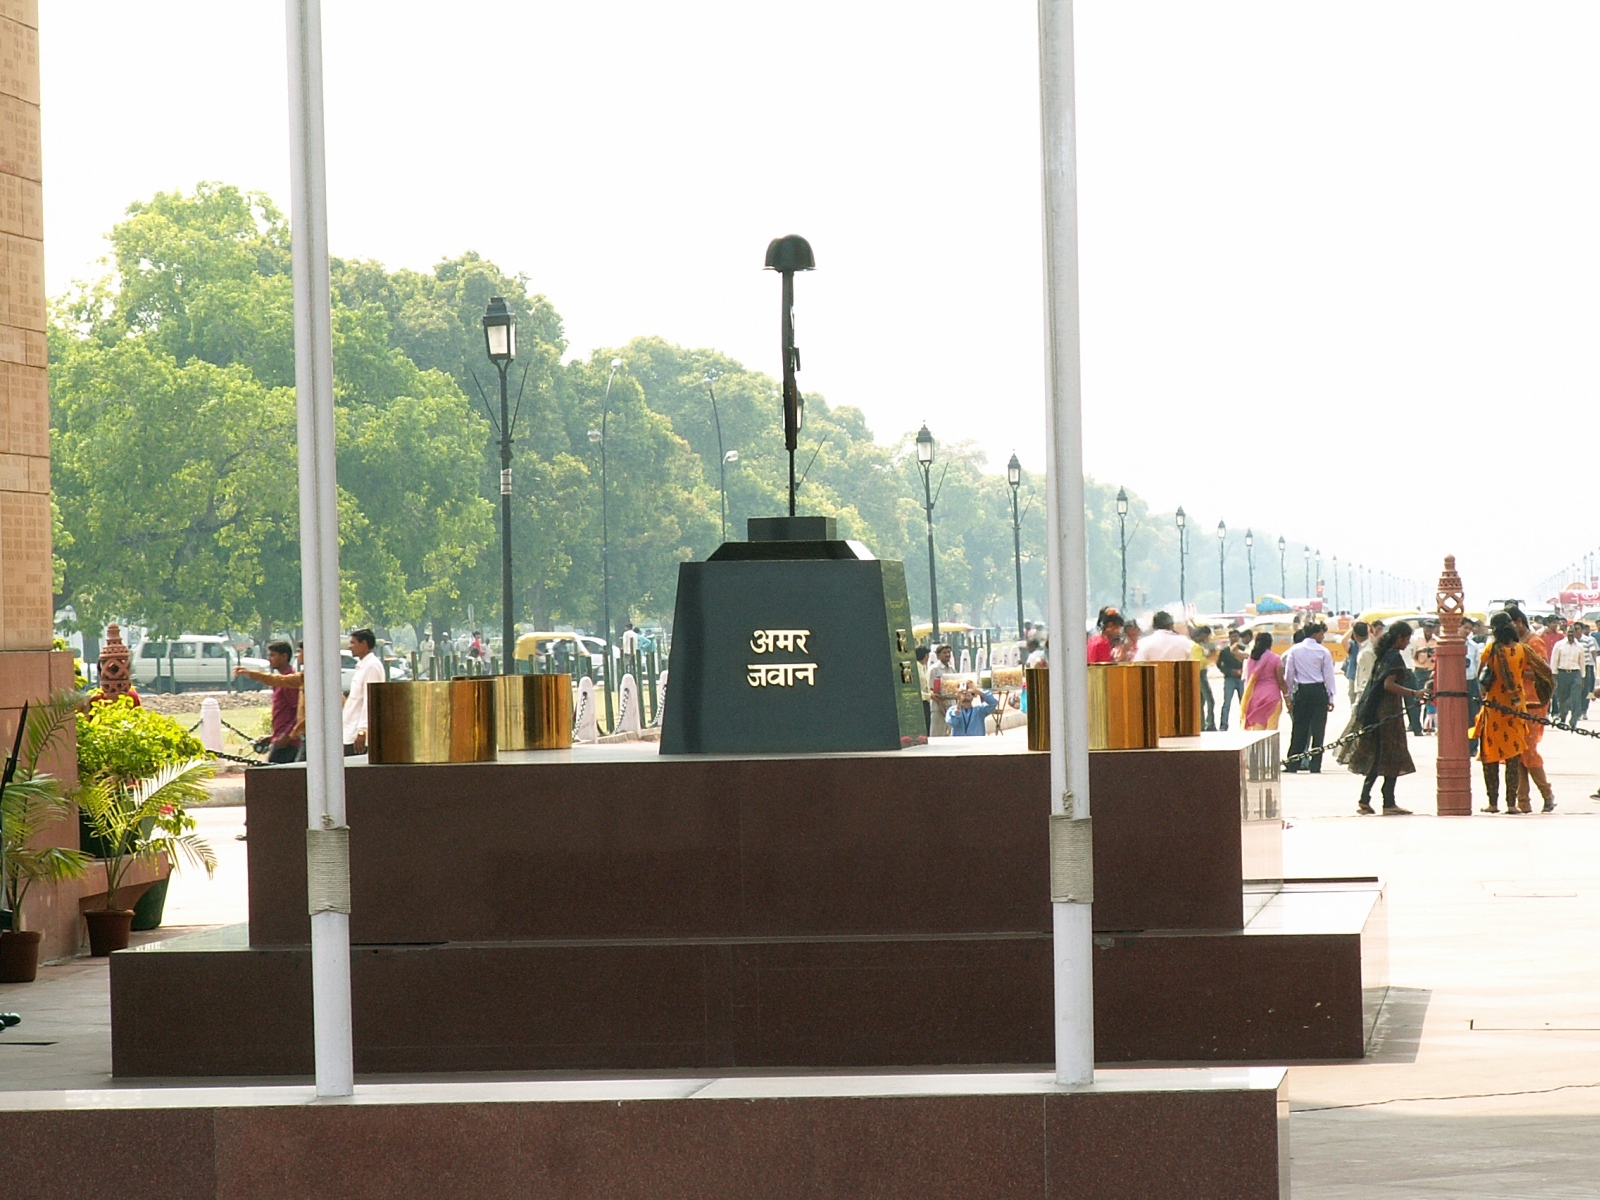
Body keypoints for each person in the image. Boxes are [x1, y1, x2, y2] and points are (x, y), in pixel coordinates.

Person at [1347, 620, 1422, 815]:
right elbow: (1388, 685)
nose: (1407, 643)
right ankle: (1388, 802)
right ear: (1399, 638)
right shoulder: (1394, 657)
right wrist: (1414, 693)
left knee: (1378, 755)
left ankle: (1365, 798)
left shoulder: (1383, 655)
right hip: (1388, 714)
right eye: (1406, 639)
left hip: (1378, 712)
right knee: (1392, 756)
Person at [1476, 614, 1529, 814]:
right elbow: (1522, 673)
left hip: (1494, 709)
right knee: (1513, 758)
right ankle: (1511, 804)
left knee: (1490, 758)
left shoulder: (1491, 649)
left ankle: (1493, 803)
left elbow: (1481, 673)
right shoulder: (1521, 650)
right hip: (1516, 709)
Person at [1507, 606, 1556, 811]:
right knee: (1517, 752)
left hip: (1533, 702)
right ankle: (1523, 801)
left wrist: (1515, 673)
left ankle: (1547, 794)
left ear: (1518, 622)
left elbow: (1542, 672)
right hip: (1516, 703)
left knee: (1528, 750)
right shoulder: (1513, 644)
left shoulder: (1534, 642)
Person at [233, 640, 302, 764]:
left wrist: (287, 736)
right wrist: (272, 737)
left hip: (288, 743)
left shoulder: (289, 681)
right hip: (281, 738)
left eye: (272, 655)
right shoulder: (280, 681)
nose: (269, 659)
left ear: (284, 656)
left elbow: (298, 713)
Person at [1282, 621, 1337, 772]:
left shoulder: (1294, 650)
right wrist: (1331, 697)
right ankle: (1315, 765)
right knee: (1318, 730)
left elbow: (1289, 675)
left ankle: (1293, 762)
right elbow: (1329, 676)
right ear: (1314, 634)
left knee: (1299, 728)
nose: (1322, 636)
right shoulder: (1323, 651)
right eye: (1321, 634)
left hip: (1302, 692)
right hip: (1319, 691)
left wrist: (1289, 694)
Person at [343, 628, 386, 756]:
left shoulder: (372, 666)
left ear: (364, 644)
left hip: (358, 734)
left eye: (353, 643)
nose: (350, 647)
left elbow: (371, 700)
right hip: (350, 730)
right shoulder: (362, 665)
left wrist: (363, 731)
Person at [1241, 632, 1287, 730]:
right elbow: (1281, 681)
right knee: (1272, 728)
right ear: (1270, 643)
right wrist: (1287, 698)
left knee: (1257, 732)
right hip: (1272, 697)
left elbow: (1248, 679)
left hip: (1254, 697)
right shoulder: (1275, 659)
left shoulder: (1251, 659)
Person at [1549, 622, 1588, 728]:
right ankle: (1562, 718)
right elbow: (1554, 660)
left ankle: (1573, 721)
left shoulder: (1580, 646)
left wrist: (1582, 677)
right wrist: (1554, 675)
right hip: (1562, 674)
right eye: (1569, 632)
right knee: (1562, 699)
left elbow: (1582, 663)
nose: (1571, 634)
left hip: (1575, 674)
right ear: (1566, 633)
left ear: (1575, 633)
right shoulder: (1559, 645)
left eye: (1572, 632)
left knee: (1575, 698)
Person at [1462, 619, 1485, 756]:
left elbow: (1477, 666)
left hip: (1470, 681)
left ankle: (1472, 746)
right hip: (1455, 684)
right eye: (1465, 628)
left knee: (1473, 715)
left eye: (1469, 628)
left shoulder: (1473, 646)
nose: (1468, 631)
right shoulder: (1449, 643)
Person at [1216, 630, 1247, 730]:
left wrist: (1243, 671)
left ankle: (1244, 724)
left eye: (1236, 636)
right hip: (1229, 678)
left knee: (1243, 703)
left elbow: (1248, 662)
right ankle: (1223, 725)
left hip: (1241, 679)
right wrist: (1228, 671)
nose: (1234, 638)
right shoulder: (1225, 651)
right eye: (1232, 636)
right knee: (1226, 703)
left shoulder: (1243, 649)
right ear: (1229, 638)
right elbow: (1219, 664)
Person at [927, 644, 956, 736]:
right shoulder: (934, 669)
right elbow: (930, 690)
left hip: (951, 707)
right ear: (938, 655)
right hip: (938, 707)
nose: (947, 654)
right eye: (944, 652)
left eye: (948, 652)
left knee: (949, 734)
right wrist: (941, 705)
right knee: (937, 734)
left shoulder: (952, 670)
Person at [1343, 621, 1369, 704]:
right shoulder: (1353, 645)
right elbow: (1343, 641)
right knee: (1353, 699)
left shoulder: (1369, 645)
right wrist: (1353, 628)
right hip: (1354, 676)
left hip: (1365, 678)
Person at [915, 645, 932, 734]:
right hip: (920, 700)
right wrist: (930, 695)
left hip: (926, 700)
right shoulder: (916, 667)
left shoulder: (923, 667)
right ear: (925, 656)